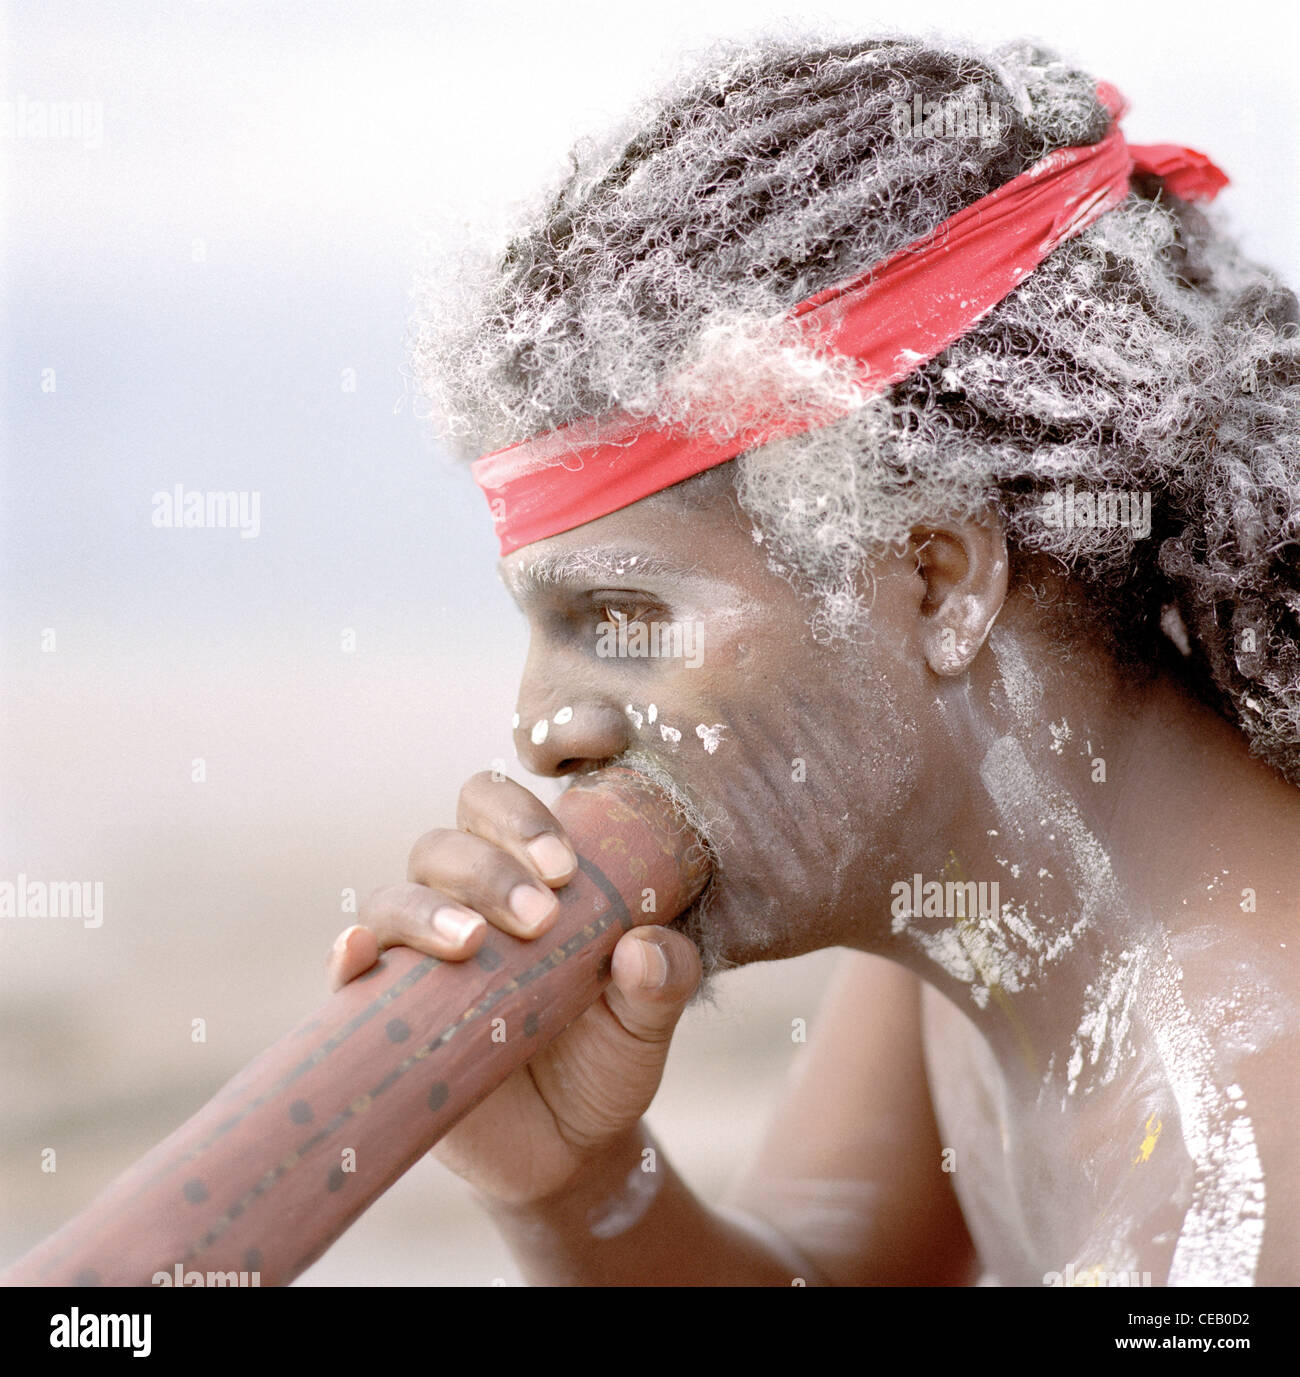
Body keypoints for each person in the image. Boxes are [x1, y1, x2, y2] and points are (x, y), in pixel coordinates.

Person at [326, 33, 1298, 1285]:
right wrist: (575, 1186)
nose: (542, 726)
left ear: (936, 578)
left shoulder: (1247, 1202)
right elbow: (824, 1268)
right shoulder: (993, 898)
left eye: (622, 617)